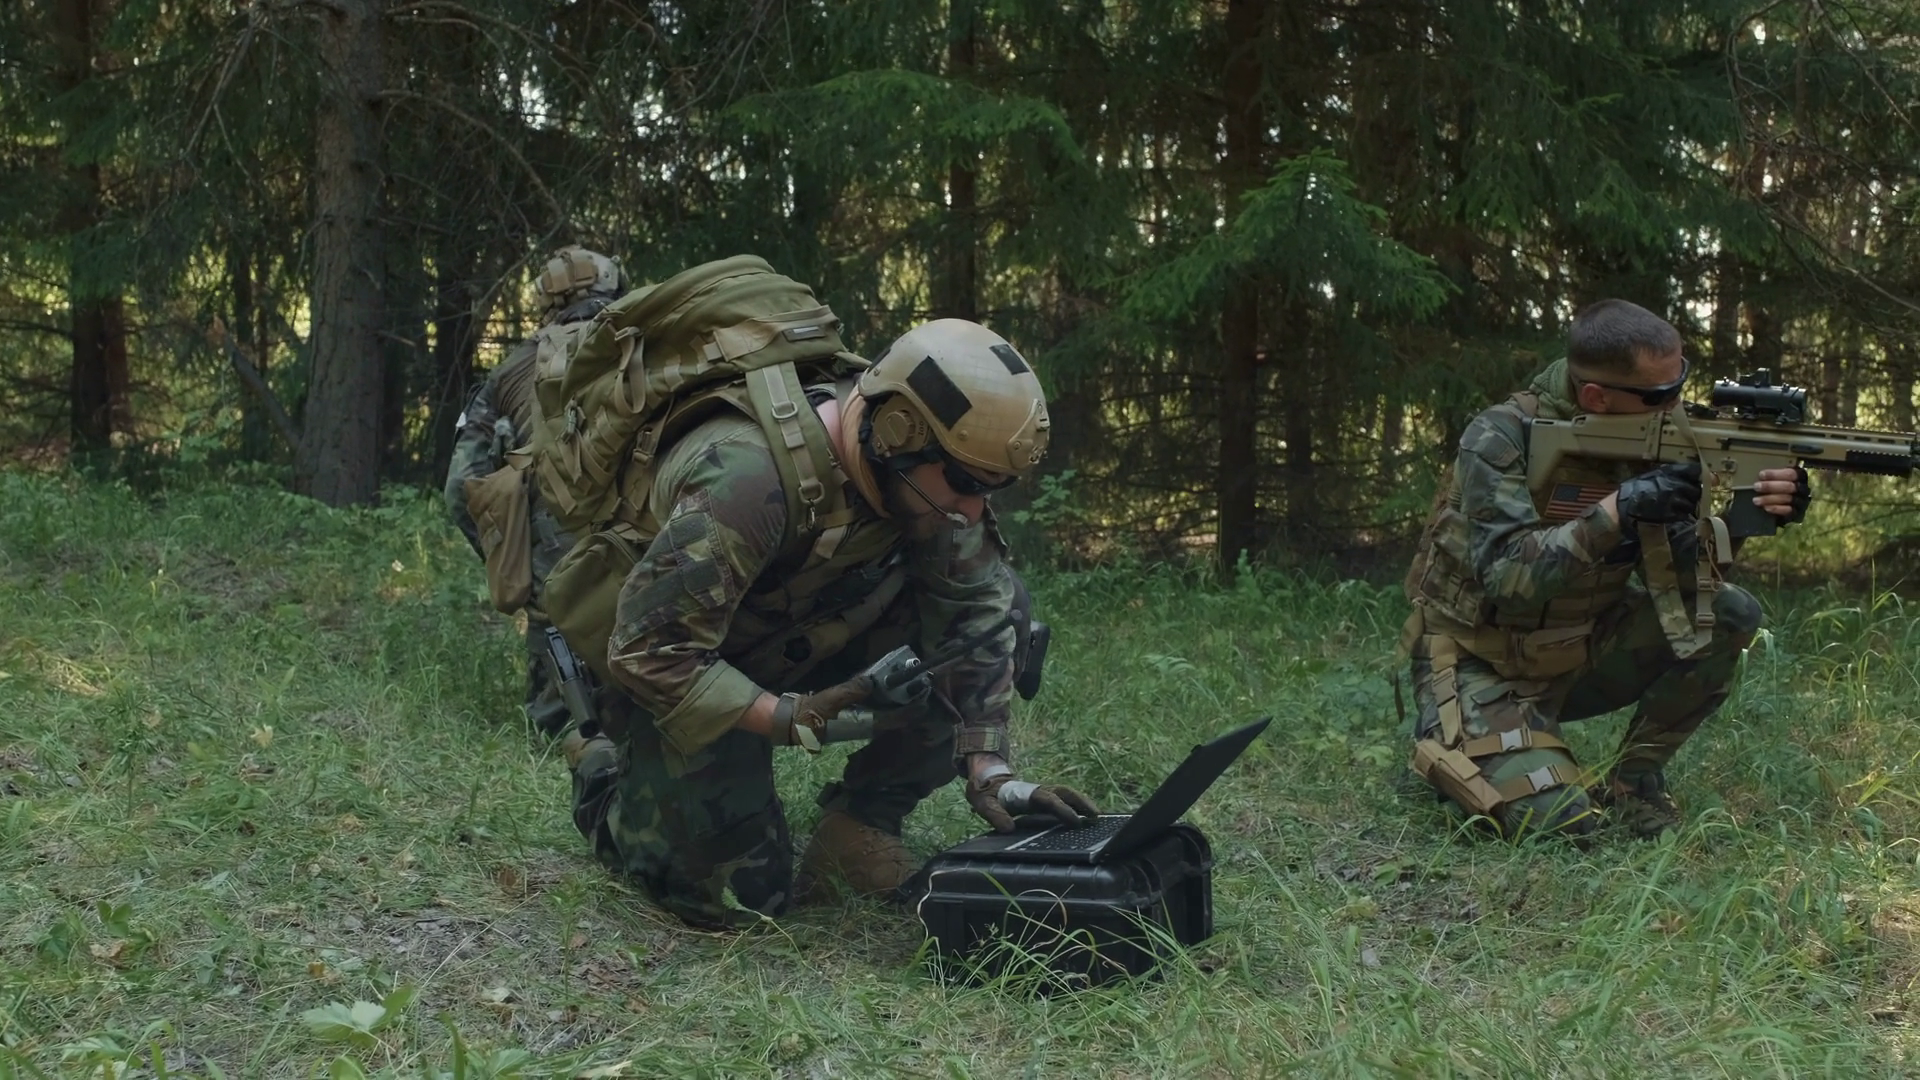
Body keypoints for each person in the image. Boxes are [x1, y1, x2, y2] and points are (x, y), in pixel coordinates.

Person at [560, 318, 1097, 929]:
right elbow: (650, 651)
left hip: (788, 632)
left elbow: (977, 616)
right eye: (965, 484)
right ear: (896, 433)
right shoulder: (746, 479)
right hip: (677, 663)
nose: (972, 510)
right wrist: (785, 716)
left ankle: (859, 824)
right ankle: (602, 766)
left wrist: (991, 772)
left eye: (992, 489)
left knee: (1006, 612)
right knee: (735, 898)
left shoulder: (925, 479)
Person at [1400, 299, 1810, 839]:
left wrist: (1748, 517)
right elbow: (1508, 581)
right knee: (1561, 823)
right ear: (1596, 396)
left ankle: (1633, 783)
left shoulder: (1659, 434)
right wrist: (1617, 510)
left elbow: (1685, 577)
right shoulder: (1502, 437)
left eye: (1680, 382)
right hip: (1480, 661)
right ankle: (1459, 734)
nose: (1677, 403)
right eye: (1660, 394)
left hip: (1578, 650)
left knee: (1729, 613)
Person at [444, 245, 628, 736]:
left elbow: (461, 486)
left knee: (556, 624)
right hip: (654, 507)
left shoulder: (513, 368)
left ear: (547, 303)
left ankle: (564, 729)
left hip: (556, 525)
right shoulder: (650, 340)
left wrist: (512, 554)